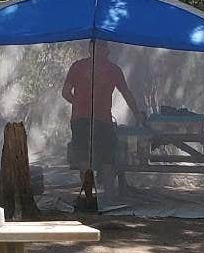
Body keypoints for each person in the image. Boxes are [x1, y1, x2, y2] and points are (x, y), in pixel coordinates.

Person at [60, 45, 146, 184]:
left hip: (80, 119)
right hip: (102, 120)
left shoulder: (77, 66)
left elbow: (65, 93)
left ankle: (88, 196)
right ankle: (107, 196)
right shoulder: (113, 70)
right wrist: (137, 114)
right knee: (107, 158)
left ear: (89, 49)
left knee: (84, 159)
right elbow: (126, 93)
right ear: (107, 50)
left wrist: (79, 104)